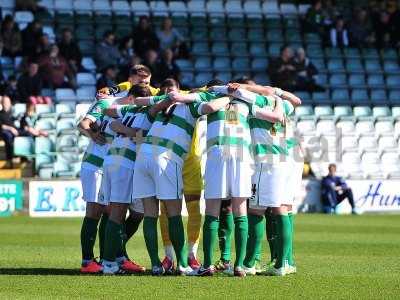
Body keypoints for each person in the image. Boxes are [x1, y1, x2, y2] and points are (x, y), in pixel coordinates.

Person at [131, 87, 231, 276]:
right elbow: (210, 106)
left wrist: (165, 99)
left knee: (150, 215)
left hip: (143, 156)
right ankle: (183, 265)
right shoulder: (191, 106)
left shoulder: (165, 105)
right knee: (174, 214)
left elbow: (139, 102)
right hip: (166, 157)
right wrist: (227, 98)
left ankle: (155, 265)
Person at [100, 84, 168, 275]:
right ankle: (109, 264)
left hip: (111, 159)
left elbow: (111, 119)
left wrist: (126, 129)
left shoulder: (128, 109)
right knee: (117, 213)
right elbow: (141, 136)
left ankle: (114, 258)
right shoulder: (147, 112)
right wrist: (136, 133)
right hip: (125, 163)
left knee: (121, 212)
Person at [156, 78, 203, 272]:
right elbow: (134, 86)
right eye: (165, 91)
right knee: (165, 211)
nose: (169, 94)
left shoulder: (188, 99)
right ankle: (169, 256)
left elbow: (207, 90)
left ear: (179, 90)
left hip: (190, 163)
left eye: (172, 91)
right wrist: (113, 89)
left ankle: (192, 254)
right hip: (166, 161)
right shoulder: (158, 103)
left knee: (194, 209)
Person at [0, 96, 19, 168]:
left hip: (15, 131)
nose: (6, 104)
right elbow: (2, 126)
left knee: (27, 134)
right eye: (4, 102)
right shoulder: (0, 114)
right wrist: (11, 129)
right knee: (8, 136)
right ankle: (10, 158)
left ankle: (25, 157)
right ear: (2, 103)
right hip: (4, 132)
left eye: (8, 102)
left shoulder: (12, 114)